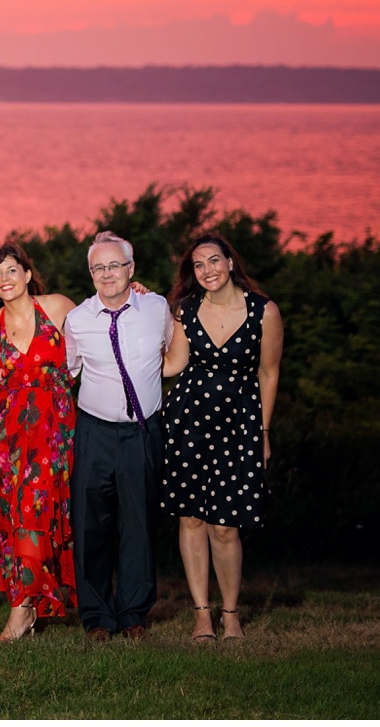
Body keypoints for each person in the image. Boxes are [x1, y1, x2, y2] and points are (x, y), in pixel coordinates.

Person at [160, 233, 284, 642]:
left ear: (230, 263)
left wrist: (263, 432)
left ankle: (231, 615)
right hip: (189, 422)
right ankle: (202, 616)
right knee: (191, 518)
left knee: (226, 526)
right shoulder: (185, 311)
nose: (207, 270)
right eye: (198, 265)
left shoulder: (264, 312)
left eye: (214, 261)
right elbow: (173, 364)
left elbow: (268, 373)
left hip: (239, 425)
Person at [63, 230, 172, 642]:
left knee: (139, 522)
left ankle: (133, 614)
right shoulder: (77, 320)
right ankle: (96, 616)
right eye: (98, 267)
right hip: (93, 431)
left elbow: (174, 353)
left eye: (114, 265)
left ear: (131, 269)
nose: (107, 274)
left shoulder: (157, 307)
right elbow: (67, 372)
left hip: (143, 433)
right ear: (90, 274)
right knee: (91, 526)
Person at [0, 242, 79, 642]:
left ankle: (22, 613)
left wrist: (137, 300)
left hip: (53, 429)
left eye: (11, 270)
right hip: (9, 433)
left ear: (27, 274)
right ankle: (26, 603)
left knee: (36, 509)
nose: (4, 279)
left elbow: (104, 329)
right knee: (15, 515)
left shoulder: (57, 307)